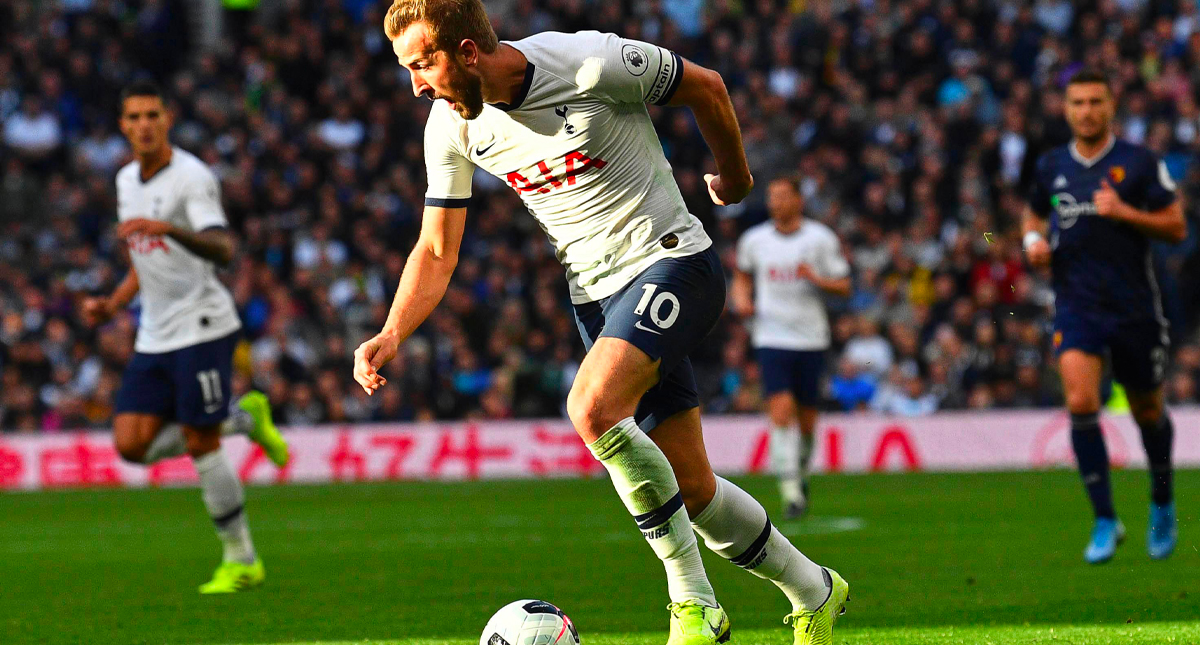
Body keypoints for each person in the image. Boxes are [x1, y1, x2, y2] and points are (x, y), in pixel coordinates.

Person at [353, 2, 849, 643]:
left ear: (468, 52)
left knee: (591, 409)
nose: (416, 84)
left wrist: (735, 177)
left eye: (423, 64)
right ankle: (814, 589)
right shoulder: (450, 126)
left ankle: (694, 605)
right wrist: (393, 331)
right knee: (692, 490)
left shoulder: (588, 62)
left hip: (673, 261)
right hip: (596, 298)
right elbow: (437, 247)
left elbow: (707, 86)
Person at [81, 81, 290, 593]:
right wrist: (113, 301)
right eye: (134, 117)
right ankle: (241, 418)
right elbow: (143, 254)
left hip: (202, 326)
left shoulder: (192, 178)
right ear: (122, 126)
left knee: (200, 442)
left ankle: (241, 558)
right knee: (131, 446)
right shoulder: (126, 179)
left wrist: (171, 228)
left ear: (167, 119)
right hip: (154, 331)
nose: (144, 124)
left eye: (153, 114)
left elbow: (223, 249)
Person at [1022, 69, 1186, 564]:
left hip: (1134, 307)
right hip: (1076, 304)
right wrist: (1032, 241)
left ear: (1111, 106)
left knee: (1148, 412)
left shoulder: (1139, 162)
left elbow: (1176, 226)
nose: (1086, 111)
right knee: (1079, 399)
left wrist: (1127, 214)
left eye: (1096, 101)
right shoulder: (1051, 166)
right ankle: (1104, 519)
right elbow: (1033, 214)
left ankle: (1161, 502)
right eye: (1077, 103)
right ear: (1066, 109)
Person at [732, 178, 851, 519]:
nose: (775, 202)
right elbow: (742, 275)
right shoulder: (755, 240)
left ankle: (799, 474)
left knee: (808, 421)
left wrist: (817, 279)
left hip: (811, 338)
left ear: (799, 199)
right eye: (771, 196)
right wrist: (743, 300)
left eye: (783, 196)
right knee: (781, 410)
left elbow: (844, 284)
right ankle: (791, 493)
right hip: (771, 337)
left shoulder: (820, 239)